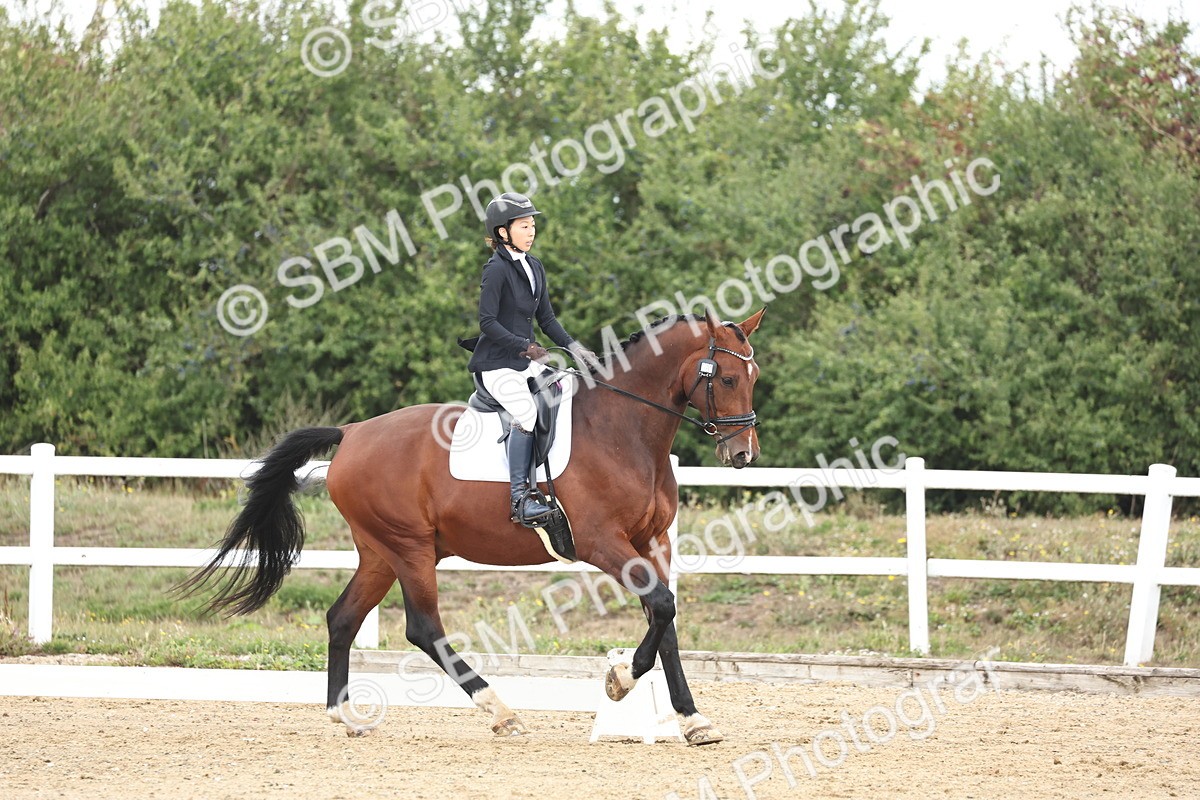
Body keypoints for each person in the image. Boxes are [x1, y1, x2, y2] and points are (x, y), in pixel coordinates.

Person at [465, 192, 598, 526]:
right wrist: (526, 346)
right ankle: (520, 499)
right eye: (524, 226)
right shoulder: (496, 269)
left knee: (568, 390)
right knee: (524, 411)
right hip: (496, 364)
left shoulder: (534, 266)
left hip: (526, 363)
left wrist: (575, 347)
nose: (531, 231)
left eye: (533, 224)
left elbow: (548, 320)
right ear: (503, 232)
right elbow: (487, 322)